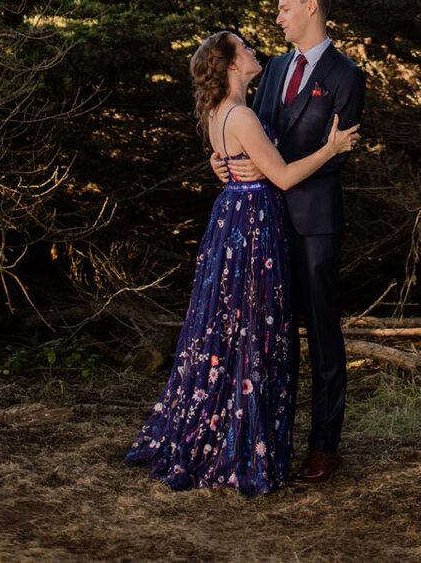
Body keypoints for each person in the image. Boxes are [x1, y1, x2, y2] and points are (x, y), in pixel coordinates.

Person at [125, 29, 358, 496]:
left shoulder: (219, 112)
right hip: (253, 229)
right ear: (232, 64)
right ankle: (239, 444)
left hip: (233, 222)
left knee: (229, 331)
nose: (255, 50)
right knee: (250, 333)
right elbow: (286, 175)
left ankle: (231, 434)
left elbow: (232, 153)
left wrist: (224, 161)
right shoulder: (244, 115)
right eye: (244, 48)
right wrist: (331, 149)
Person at [213, 0, 366, 484]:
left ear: (310, 9)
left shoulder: (347, 76)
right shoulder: (275, 69)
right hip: (266, 223)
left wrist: (277, 170)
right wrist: (228, 164)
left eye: (283, 8)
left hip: (315, 224)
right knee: (272, 337)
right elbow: (250, 131)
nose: (276, 18)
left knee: (322, 335)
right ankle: (272, 438)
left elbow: (337, 158)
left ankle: (324, 447)